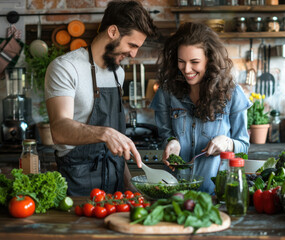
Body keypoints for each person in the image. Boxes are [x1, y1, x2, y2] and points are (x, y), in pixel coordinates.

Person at [44, 0, 157, 196]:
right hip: (77, 187)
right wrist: (104, 133)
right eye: (132, 44)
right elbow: (59, 129)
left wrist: (129, 185)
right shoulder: (65, 67)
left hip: (116, 190)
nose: (133, 53)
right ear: (113, 32)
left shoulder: (118, 74)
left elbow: (117, 146)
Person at [149, 22, 251, 194]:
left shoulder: (232, 93)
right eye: (181, 62)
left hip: (216, 194)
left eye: (194, 62)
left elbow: (243, 145)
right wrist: (170, 142)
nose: (186, 69)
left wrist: (227, 143)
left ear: (209, 60)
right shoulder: (166, 92)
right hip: (175, 193)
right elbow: (165, 135)